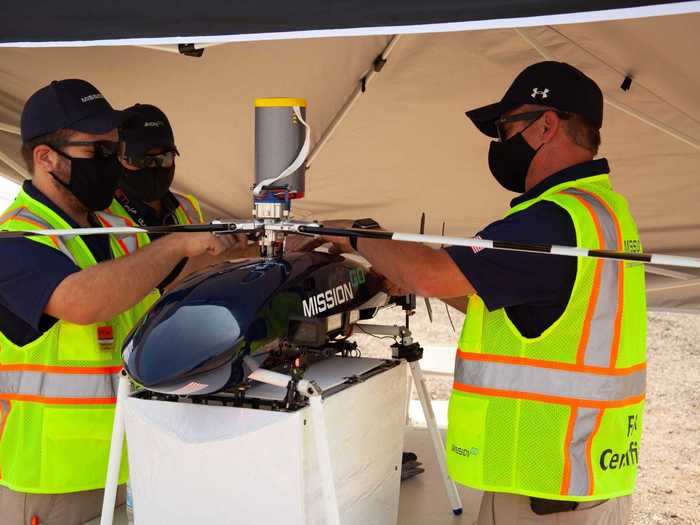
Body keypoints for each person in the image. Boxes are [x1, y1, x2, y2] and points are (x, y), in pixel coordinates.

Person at [291, 61, 646, 524]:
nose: (499, 144)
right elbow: (527, 307)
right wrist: (413, 270)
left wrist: (358, 237)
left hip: (543, 494)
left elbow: (433, 274)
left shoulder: (549, 222)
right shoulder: (603, 212)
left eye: (503, 128)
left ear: (545, 125)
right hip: (583, 479)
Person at [0, 79, 240, 525]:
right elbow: (83, 302)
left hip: (134, 460)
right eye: (99, 152)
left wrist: (239, 249)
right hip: (52, 479)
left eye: (115, 149)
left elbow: (164, 287)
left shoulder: (114, 227)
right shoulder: (15, 238)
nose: (112, 164)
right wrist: (173, 246)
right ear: (45, 157)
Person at [97, 103, 255, 298]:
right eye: (140, 160)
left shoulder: (186, 205)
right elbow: (167, 278)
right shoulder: (100, 213)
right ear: (117, 159)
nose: (154, 167)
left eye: (164, 158)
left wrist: (243, 241)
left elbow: (202, 270)